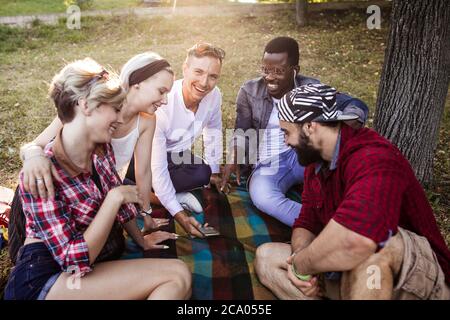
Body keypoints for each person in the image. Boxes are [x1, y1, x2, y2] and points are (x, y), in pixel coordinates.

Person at [4, 58, 191, 300]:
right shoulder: (42, 175)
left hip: (79, 271)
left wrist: (141, 239)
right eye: (114, 109)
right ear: (86, 105)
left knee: (180, 276)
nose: (119, 117)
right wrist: (114, 198)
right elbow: (75, 261)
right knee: (175, 277)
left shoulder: (100, 150)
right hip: (45, 280)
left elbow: (123, 199)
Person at [254, 83, 450, 300]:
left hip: (415, 279)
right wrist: (302, 261)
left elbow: (358, 240)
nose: (286, 141)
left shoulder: (374, 157)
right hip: (354, 274)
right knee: (267, 257)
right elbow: (307, 222)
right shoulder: (315, 165)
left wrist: (302, 265)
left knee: (374, 250)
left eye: (287, 132)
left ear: (310, 126)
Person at [19, 52, 174, 233]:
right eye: (161, 91)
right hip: (59, 193)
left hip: (101, 190)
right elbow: (35, 145)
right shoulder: (95, 102)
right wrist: (33, 156)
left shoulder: (147, 120)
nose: (165, 100)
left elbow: (144, 171)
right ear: (137, 81)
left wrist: (146, 214)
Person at [222, 37, 368, 226]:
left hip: (301, 154)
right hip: (268, 164)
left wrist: (350, 120)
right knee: (263, 196)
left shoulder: (310, 88)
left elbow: (354, 104)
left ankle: (356, 216)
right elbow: (242, 131)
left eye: (278, 71)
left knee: (343, 171)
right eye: (265, 69)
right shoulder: (250, 91)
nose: (270, 77)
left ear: (294, 70)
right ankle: (325, 226)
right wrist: (235, 155)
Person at [127, 43, 227, 238]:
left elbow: (213, 130)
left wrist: (214, 170)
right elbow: (156, 168)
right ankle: (159, 198)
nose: (204, 82)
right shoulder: (162, 106)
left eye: (213, 76)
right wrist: (179, 215)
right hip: (139, 157)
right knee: (126, 180)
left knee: (203, 172)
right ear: (185, 69)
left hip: (174, 157)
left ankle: (152, 192)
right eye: (198, 72)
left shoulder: (214, 96)